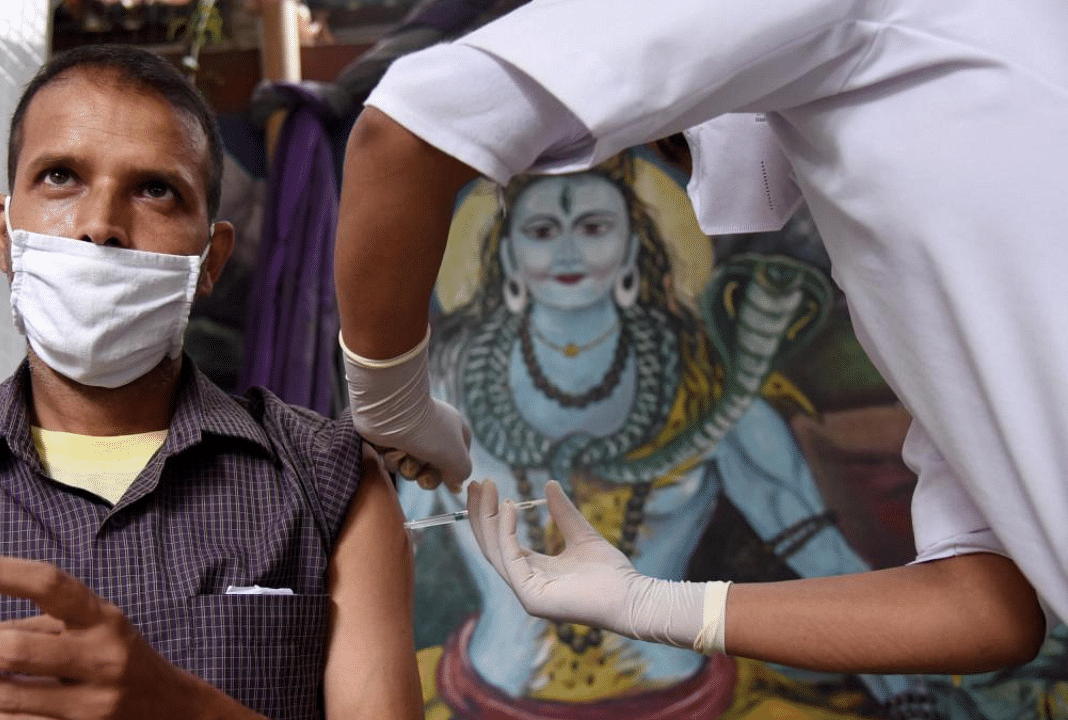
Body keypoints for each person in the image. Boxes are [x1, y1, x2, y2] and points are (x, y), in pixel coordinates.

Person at [334, 0, 1061, 675]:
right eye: (542, 229)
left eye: (593, 225)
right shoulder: (918, 229)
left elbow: (409, 128)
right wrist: (646, 604)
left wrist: (392, 403)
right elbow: (986, 603)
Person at [0, 44, 423, 720]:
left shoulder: (328, 483)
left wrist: (181, 711)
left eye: (155, 189)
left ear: (211, 260)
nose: (99, 226)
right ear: (6, 234)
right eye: (61, 176)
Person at [400, 154, 935, 716]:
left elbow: (821, 553)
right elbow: (390, 552)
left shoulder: (709, 395)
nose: (568, 249)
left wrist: (908, 694)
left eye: (594, 226)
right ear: (505, 255)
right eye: (540, 230)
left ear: (636, 247)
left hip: (689, 694)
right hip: (481, 692)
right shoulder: (444, 393)